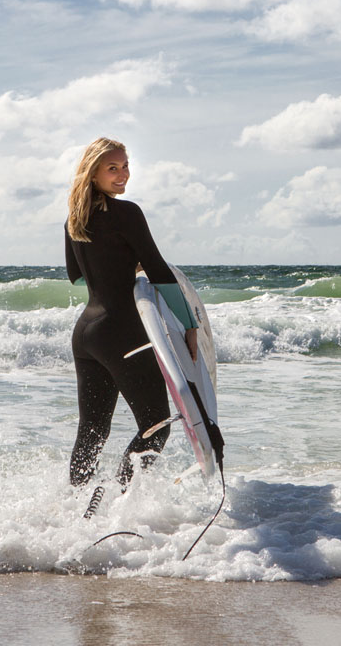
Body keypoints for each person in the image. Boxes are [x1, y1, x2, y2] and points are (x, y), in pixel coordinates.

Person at [64, 137, 198, 489]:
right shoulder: (127, 213)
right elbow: (158, 270)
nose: (123, 174)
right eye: (113, 168)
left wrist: (120, 261)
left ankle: (75, 506)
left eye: (125, 165)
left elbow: (76, 274)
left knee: (92, 432)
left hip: (87, 335)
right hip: (123, 333)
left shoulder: (74, 217)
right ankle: (117, 496)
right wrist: (190, 324)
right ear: (93, 173)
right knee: (156, 425)